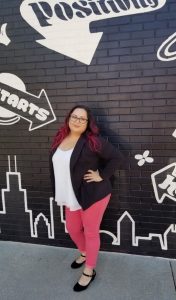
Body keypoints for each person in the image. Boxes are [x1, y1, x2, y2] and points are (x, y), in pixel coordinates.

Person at [49, 104, 124, 292]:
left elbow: (117, 157)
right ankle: (84, 253)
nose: (77, 120)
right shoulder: (61, 139)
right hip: (70, 194)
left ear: (88, 123)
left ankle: (89, 271)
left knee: (90, 232)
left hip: (93, 194)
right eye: (74, 116)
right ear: (68, 118)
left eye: (82, 119)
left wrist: (102, 175)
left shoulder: (93, 141)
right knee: (72, 228)